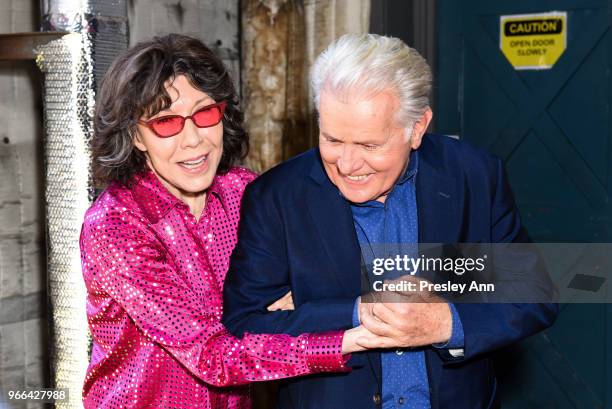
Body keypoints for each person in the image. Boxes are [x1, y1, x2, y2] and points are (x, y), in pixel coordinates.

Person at [222, 33, 558, 408]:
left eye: (369, 145)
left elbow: (532, 295)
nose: (347, 165)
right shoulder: (277, 196)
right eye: (332, 140)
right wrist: (357, 312)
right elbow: (244, 324)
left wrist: (443, 324)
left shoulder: (474, 176)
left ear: (417, 128)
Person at [79, 34, 390, 409]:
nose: (193, 140)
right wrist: (348, 339)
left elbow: (300, 281)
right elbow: (213, 355)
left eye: (205, 113)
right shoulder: (116, 225)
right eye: (165, 122)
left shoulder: (244, 192)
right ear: (136, 136)